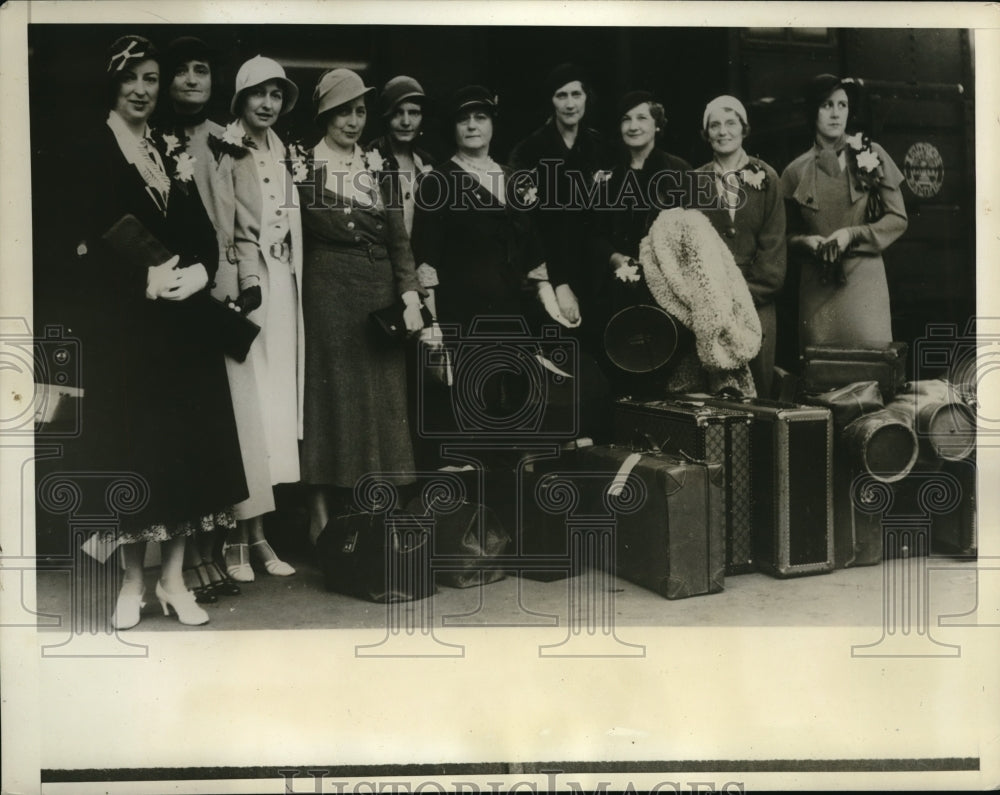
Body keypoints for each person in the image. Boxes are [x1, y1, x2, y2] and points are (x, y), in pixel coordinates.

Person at [72, 35, 247, 628]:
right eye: (133, 80)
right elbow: (71, 245)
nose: (144, 90)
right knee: (135, 454)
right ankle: (132, 584)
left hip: (182, 328)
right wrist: (138, 284)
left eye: (151, 79)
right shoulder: (93, 148)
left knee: (186, 453)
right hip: (127, 329)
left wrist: (201, 270)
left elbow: (197, 228)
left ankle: (174, 581)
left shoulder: (167, 147)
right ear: (113, 85)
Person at [298, 68, 425, 544]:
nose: (352, 121)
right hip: (327, 294)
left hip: (378, 297)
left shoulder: (379, 166)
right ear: (324, 115)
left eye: (359, 111)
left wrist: (409, 297)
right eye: (341, 111)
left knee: (381, 403)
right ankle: (321, 515)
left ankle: (375, 514)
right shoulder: (303, 166)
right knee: (331, 401)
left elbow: (399, 241)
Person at [158, 35, 242, 600]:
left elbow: (236, 216)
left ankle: (211, 551)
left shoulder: (224, 139)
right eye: (182, 70)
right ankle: (176, 565)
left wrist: (238, 281)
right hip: (171, 285)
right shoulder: (153, 136)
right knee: (178, 426)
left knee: (219, 423)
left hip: (221, 282)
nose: (192, 79)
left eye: (202, 70)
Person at [215, 55, 304, 580]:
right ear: (241, 99)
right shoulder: (226, 147)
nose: (267, 104)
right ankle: (234, 536)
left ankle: (261, 537)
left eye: (276, 94)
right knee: (245, 408)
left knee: (273, 408)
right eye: (258, 94)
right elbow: (229, 226)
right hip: (249, 286)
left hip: (284, 285)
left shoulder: (284, 150)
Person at [780, 74, 908, 349]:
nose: (836, 114)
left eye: (842, 105)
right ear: (812, 110)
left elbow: (897, 219)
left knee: (870, 370)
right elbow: (785, 235)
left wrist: (851, 234)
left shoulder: (871, 154)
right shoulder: (794, 171)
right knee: (822, 375)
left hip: (864, 283)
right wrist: (806, 242)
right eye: (827, 105)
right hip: (818, 286)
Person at [510, 63, 608, 342]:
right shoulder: (530, 152)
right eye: (561, 95)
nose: (570, 104)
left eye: (576, 94)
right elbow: (530, 225)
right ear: (550, 101)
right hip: (551, 273)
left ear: (587, 97)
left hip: (594, 270)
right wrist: (559, 283)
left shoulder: (598, 146)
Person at [695, 94, 786, 397]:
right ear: (706, 133)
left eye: (731, 123)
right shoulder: (695, 182)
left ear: (744, 128)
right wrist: (713, 298)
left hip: (756, 306)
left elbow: (773, 246)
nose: (723, 131)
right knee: (717, 395)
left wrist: (745, 296)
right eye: (715, 125)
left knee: (757, 391)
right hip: (712, 306)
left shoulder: (767, 178)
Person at [365, 75, 434, 236]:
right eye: (397, 113)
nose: (406, 121)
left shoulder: (426, 162)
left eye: (414, 113)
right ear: (386, 116)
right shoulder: (368, 158)